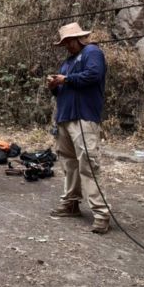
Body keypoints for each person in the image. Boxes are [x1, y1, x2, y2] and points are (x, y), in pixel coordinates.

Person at [46, 22, 110, 234]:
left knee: (88, 164)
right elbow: (64, 90)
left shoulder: (92, 52)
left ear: (79, 39)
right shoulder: (67, 63)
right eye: (64, 43)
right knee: (69, 164)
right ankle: (71, 203)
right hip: (65, 118)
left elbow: (94, 75)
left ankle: (101, 213)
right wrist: (55, 86)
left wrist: (66, 79)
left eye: (69, 42)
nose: (67, 46)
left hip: (83, 117)